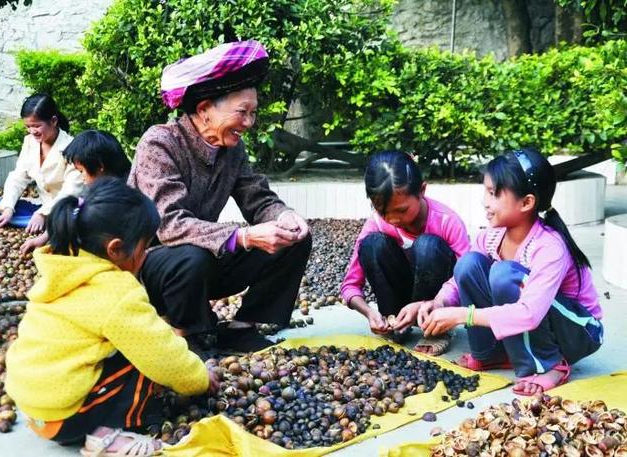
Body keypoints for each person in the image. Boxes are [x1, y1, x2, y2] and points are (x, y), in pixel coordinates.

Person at [5, 178, 218, 456]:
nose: (146, 256)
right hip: (65, 418)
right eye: (144, 249)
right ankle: (107, 434)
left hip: (33, 406)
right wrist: (200, 378)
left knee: (133, 343)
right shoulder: (116, 291)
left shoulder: (61, 267)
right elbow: (163, 356)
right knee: (145, 359)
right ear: (116, 249)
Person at [129, 40, 312, 354]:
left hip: (203, 263)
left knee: (294, 238)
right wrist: (242, 236)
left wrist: (283, 215)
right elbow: (169, 225)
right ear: (204, 111)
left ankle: (242, 329)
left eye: (253, 113)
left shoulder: (232, 149)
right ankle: (186, 334)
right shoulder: (159, 143)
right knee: (191, 255)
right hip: (151, 268)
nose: (250, 123)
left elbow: (257, 197)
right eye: (242, 112)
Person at [396, 148, 603, 396]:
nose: (485, 201)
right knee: (469, 264)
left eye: (494, 194)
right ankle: (490, 354)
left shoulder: (549, 246)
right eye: (486, 191)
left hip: (577, 331)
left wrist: (464, 315)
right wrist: (437, 303)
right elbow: (459, 279)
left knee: (505, 276)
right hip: (539, 320)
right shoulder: (492, 235)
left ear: (527, 202)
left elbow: (529, 314)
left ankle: (549, 365)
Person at [341, 150, 470, 355]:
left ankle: (435, 328)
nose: (392, 219)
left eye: (401, 210)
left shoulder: (446, 221)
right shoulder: (376, 224)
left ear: (422, 191)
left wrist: (434, 303)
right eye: (383, 211)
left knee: (427, 246)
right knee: (372, 244)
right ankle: (396, 324)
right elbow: (349, 285)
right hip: (399, 305)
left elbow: (467, 278)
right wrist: (369, 313)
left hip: (436, 302)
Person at [20, 129, 132, 254]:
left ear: (100, 166)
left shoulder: (124, 193)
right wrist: (44, 237)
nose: (82, 178)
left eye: (81, 172)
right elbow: (76, 208)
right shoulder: (100, 186)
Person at [0, 93, 83, 233]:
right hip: (41, 205)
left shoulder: (72, 146)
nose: (32, 131)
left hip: (66, 207)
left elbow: (72, 190)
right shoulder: (29, 142)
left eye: (37, 126)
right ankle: (49, 226)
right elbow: (18, 177)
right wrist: (8, 209)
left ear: (54, 121)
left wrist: (42, 214)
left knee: (76, 218)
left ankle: (51, 225)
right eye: (28, 126)